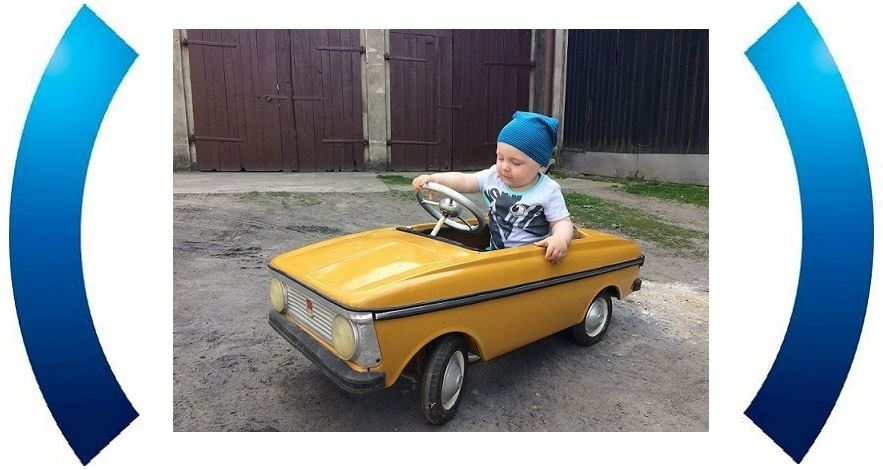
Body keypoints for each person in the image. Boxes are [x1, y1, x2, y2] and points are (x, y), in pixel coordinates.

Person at [412, 111, 573, 263]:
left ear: (541, 166)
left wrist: (560, 238)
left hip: (530, 260)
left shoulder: (548, 190)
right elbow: (465, 180)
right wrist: (435, 179)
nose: (504, 167)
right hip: (496, 254)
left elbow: (562, 222)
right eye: (500, 158)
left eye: (515, 162)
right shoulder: (493, 176)